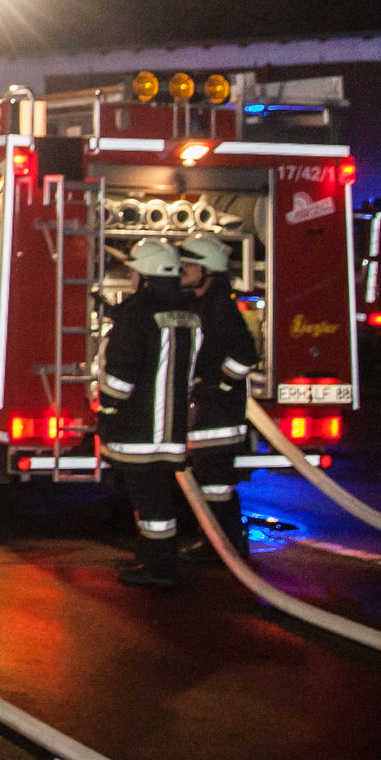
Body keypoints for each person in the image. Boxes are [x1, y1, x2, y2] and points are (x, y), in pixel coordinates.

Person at [96, 238, 201, 587]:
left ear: (147, 275)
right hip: (170, 432)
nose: (132, 280)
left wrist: (107, 410)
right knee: (156, 500)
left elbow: (120, 375)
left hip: (137, 430)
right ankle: (151, 559)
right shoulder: (188, 315)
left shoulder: (135, 315)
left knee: (152, 505)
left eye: (135, 273)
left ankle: (159, 569)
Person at [177, 232, 257, 558]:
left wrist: (219, 386)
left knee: (215, 484)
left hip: (218, 416)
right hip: (210, 414)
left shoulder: (219, 309)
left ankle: (219, 547)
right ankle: (221, 543)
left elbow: (245, 355)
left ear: (206, 270)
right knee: (212, 483)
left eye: (188, 265)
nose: (181, 269)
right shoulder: (203, 304)